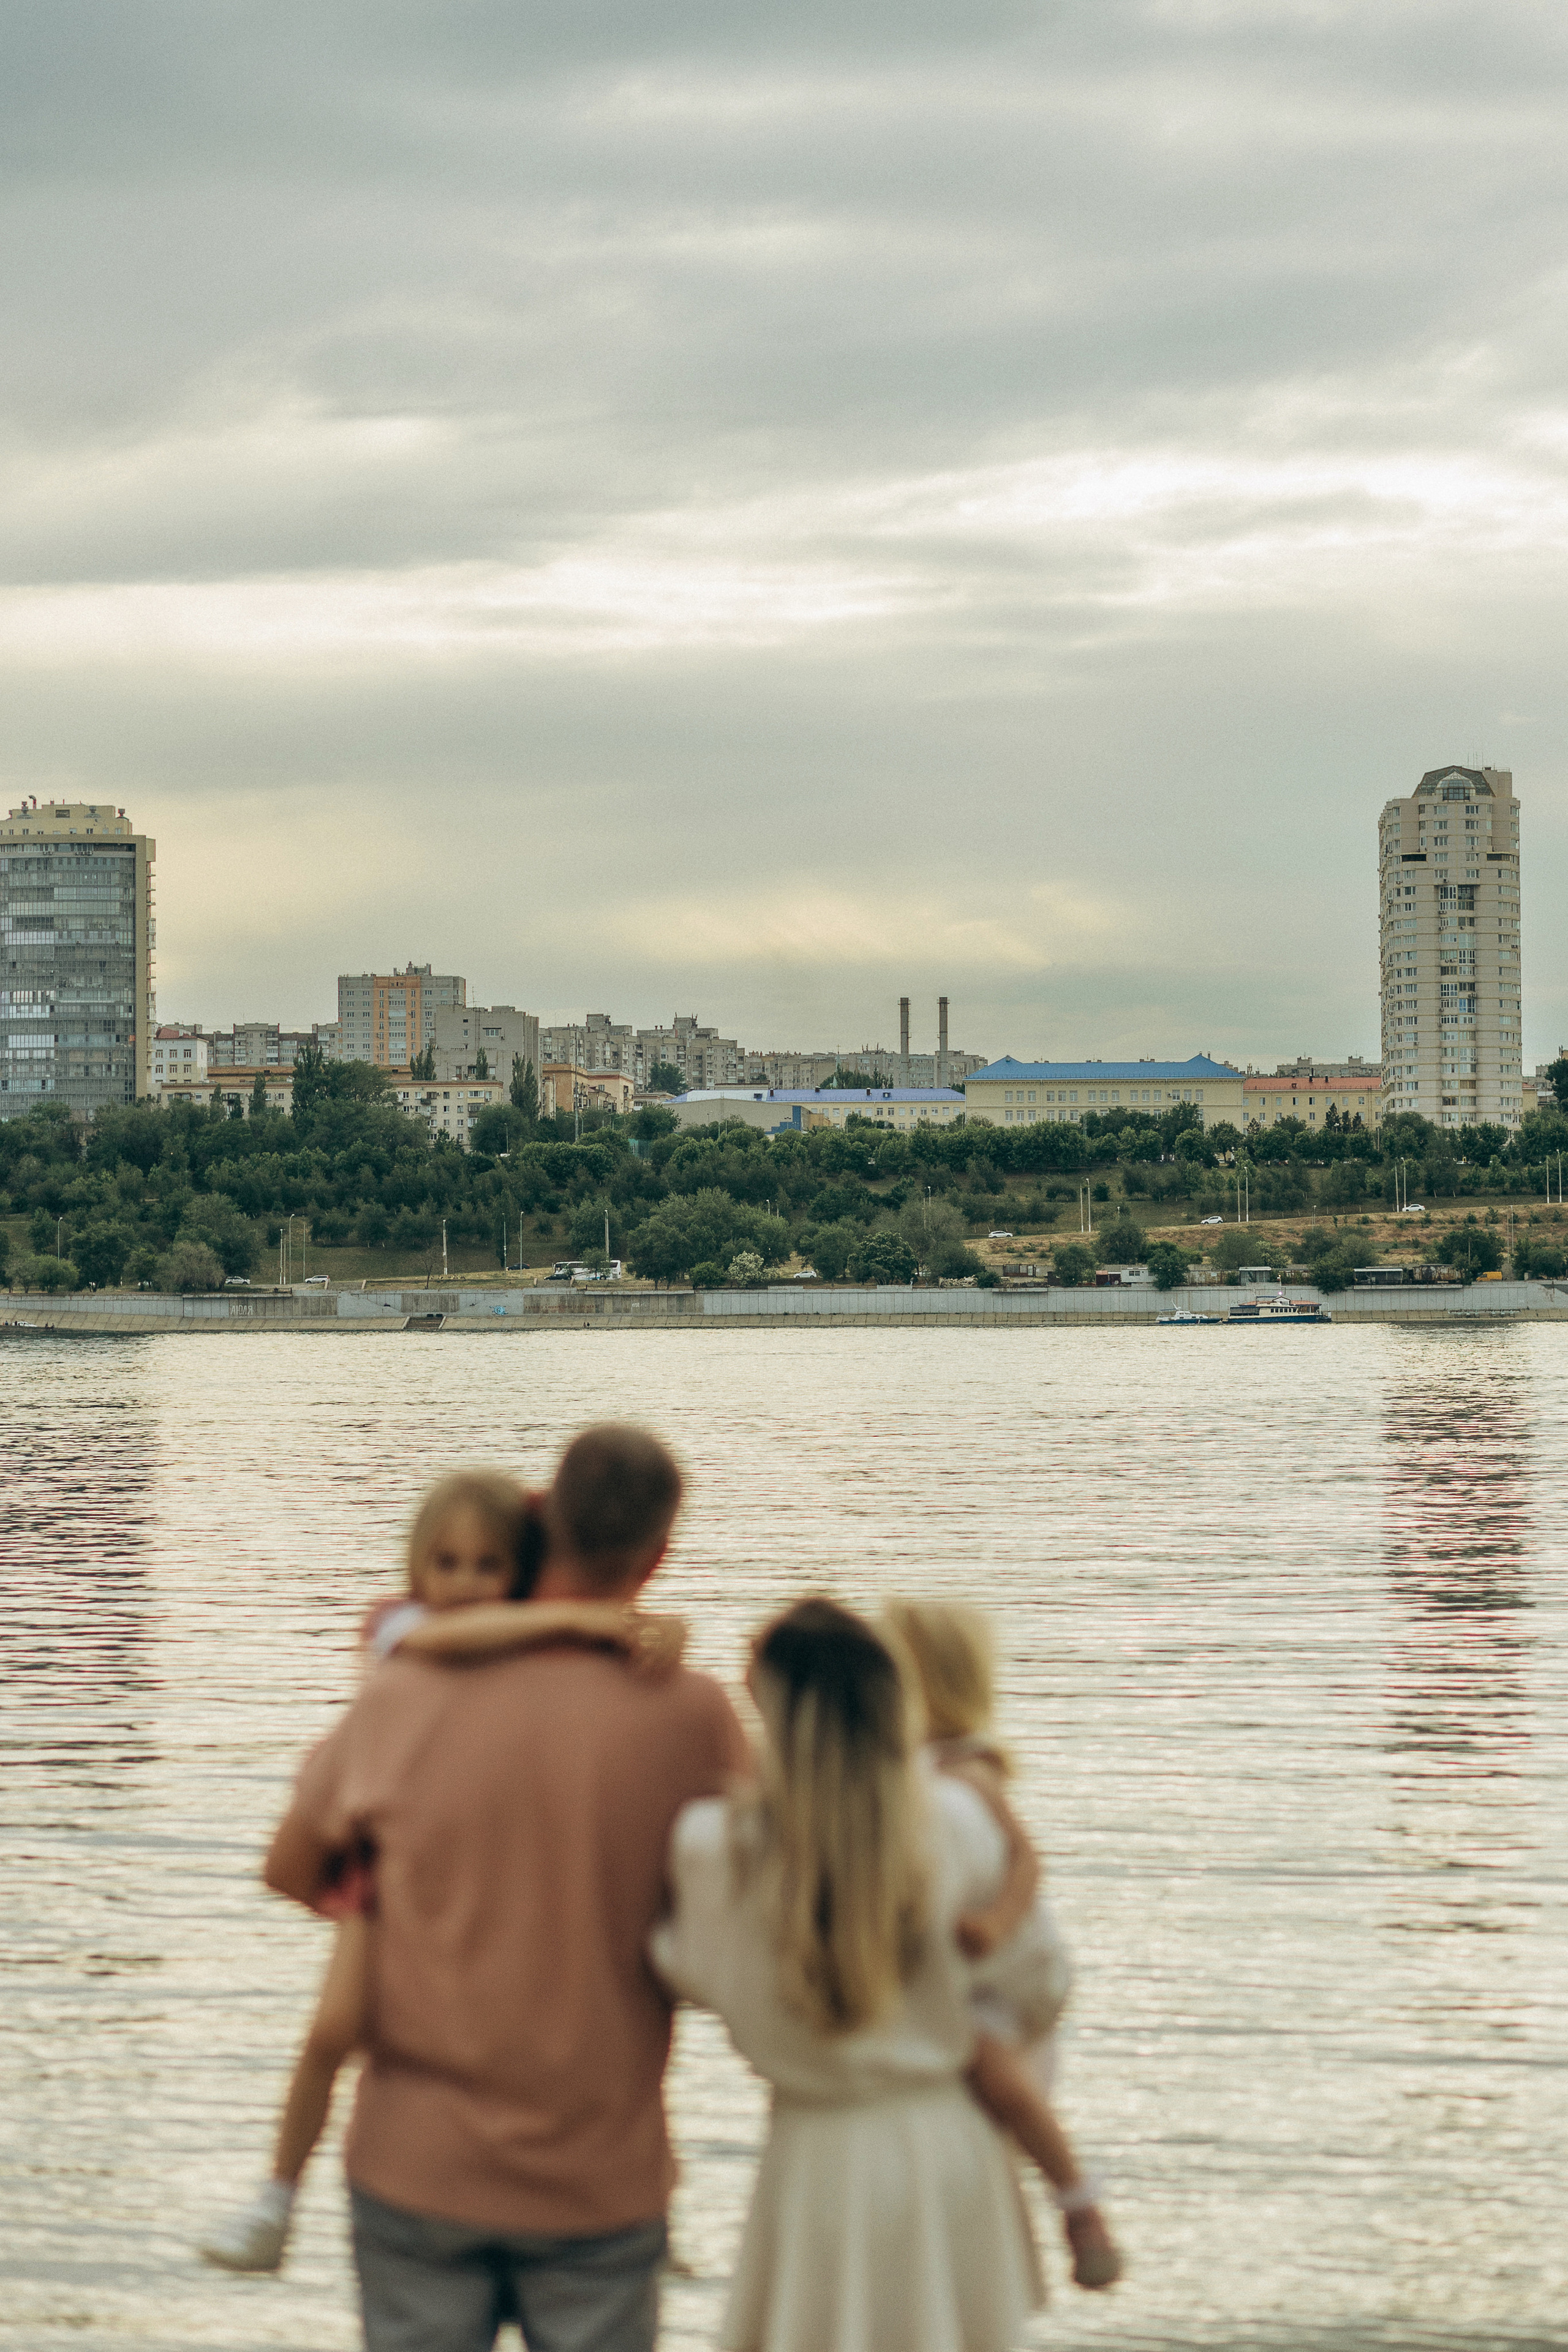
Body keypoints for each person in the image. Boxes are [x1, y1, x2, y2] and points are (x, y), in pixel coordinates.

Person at [262, 1425, 748, 2352]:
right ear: (659, 1555)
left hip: (418, 2163)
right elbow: (760, 1911)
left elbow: (290, 1869)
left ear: (541, 1523)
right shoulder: (693, 1715)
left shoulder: (403, 1693)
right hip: (600, 2174)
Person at [200, 1469, 680, 2277]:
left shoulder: (527, 1635)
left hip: (438, 1864)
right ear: (416, 1566)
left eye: (488, 1566)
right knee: (332, 2030)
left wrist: (648, 1633)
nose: (463, 1586)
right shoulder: (405, 1626)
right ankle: (276, 2198)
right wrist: (585, 1614)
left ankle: (649, 2203)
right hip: (375, 1864)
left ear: (518, 1571)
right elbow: (443, 1642)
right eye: (446, 1563)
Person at [650, 1596, 1045, 2352]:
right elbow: (1038, 1983)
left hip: (815, 2158)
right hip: (947, 2151)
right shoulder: (957, 1822)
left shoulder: (713, 1848)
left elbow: (681, 1969)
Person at [884, 1600, 1123, 2291]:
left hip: (1016, 1968)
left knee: (988, 2064)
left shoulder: (966, 1770)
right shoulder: (912, 1767)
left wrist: (994, 1920)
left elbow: (1026, 1858)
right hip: (980, 1966)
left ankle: (1077, 2199)